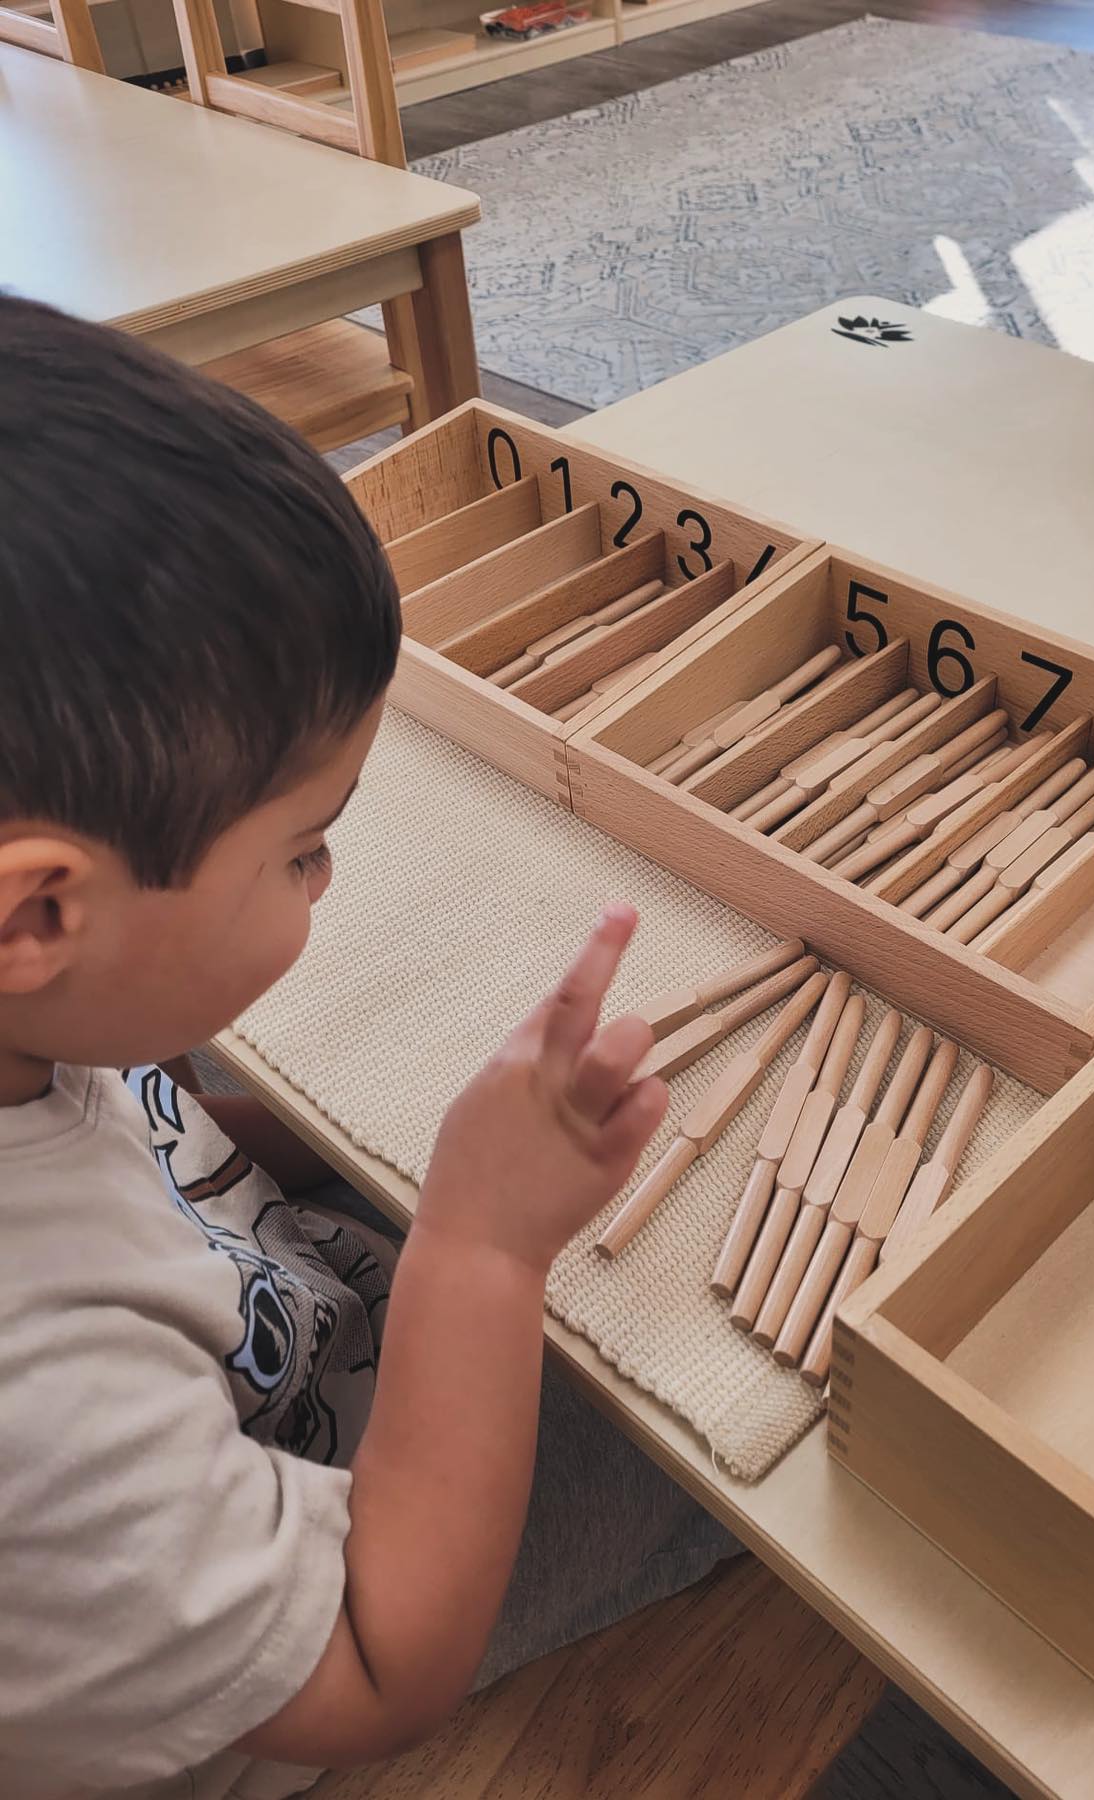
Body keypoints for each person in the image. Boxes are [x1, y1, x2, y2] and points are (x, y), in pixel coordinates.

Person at [0, 296, 735, 1800]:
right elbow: (372, 1669)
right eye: (301, 849)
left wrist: (380, 1171)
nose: (329, 880)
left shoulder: (36, 1016)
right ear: (36, 913)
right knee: (722, 1457)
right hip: (321, 1618)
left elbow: (152, 1138)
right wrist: (474, 1249)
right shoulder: (38, 1409)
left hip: (279, 1362)